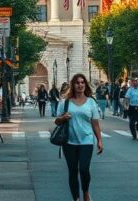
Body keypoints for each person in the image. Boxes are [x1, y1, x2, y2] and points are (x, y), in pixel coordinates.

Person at [54, 73, 103, 201]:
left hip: (86, 141)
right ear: (73, 85)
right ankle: (76, 198)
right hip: (69, 142)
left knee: (84, 169)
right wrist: (63, 118)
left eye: (82, 82)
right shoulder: (65, 102)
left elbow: (95, 123)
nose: (80, 85)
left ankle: (86, 192)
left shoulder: (91, 102)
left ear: (85, 84)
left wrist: (99, 140)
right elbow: (57, 121)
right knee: (73, 171)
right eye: (77, 83)